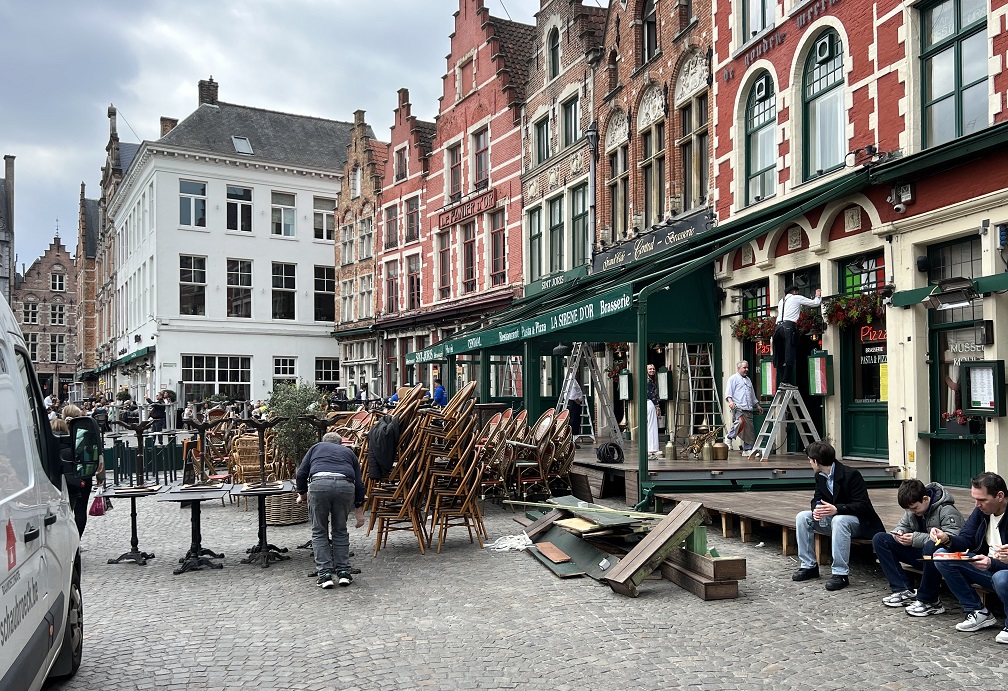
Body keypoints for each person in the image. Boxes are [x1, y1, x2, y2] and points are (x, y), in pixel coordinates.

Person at [792, 440, 884, 591]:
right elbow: (816, 498)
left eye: (810, 460)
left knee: (839, 520)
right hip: (833, 519)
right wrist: (817, 508)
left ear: (816, 461)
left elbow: (863, 506)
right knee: (803, 517)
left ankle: (840, 574)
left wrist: (837, 509)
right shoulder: (820, 475)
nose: (809, 463)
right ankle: (809, 566)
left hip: (859, 522)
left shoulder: (851, 475)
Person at [929, 472, 1008, 641]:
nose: (977, 504)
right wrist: (947, 538)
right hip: (988, 569)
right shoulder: (982, 512)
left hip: (1002, 572)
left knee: (1002, 577)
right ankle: (978, 611)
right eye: (975, 499)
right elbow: (966, 539)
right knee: (942, 556)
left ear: (1000, 496)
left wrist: (992, 563)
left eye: (982, 500)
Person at [871, 479, 964, 613]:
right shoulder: (912, 509)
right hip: (921, 556)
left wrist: (915, 539)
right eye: (909, 509)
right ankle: (903, 590)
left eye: (915, 508)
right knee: (880, 539)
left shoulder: (947, 510)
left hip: (941, 559)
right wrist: (899, 533)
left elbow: (953, 538)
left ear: (925, 499)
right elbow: (902, 525)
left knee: (931, 547)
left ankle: (930, 601)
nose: (912, 512)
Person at [295, 432, 366, 589]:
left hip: (319, 485)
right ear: (340, 444)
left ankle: (325, 574)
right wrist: (359, 510)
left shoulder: (316, 448)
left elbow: (301, 474)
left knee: (319, 531)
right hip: (345, 486)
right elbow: (360, 483)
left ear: (323, 442)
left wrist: (302, 494)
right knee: (340, 530)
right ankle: (343, 573)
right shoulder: (349, 453)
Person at [772, 284, 822, 388]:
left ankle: (782, 381)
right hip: (788, 327)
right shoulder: (796, 298)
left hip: (777, 329)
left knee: (780, 356)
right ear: (794, 292)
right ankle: (785, 381)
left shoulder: (781, 301)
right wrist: (818, 295)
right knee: (790, 354)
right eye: (797, 292)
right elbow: (815, 303)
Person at [725, 360, 763, 452]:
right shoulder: (733, 378)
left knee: (749, 431)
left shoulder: (748, 380)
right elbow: (728, 393)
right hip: (738, 408)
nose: (746, 369)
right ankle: (729, 437)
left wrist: (757, 405)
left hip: (748, 408)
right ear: (739, 368)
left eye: (747, 367)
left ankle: (747, 449)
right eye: (744, 368)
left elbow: (752, 395)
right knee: (740, 423)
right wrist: (730, 402)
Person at [562, 375, 584, 442]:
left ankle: (571, 439)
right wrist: (576, 400)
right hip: (573, 402)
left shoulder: (571, 379)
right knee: (573, 420)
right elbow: (573, 390)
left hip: (572, 402)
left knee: (573, 420)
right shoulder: (571, 379)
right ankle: (570, 440)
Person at [645, 363, 660, 459]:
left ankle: (650, 447)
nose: (652, 370)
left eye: (653, 369)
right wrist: (657, 406)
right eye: (650, 369)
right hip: (650, 403)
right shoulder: (648, 381)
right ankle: (652, 448)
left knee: (650, 425)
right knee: (652, 425)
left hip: (647, 403)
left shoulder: (650, 380)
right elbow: (651, 394)